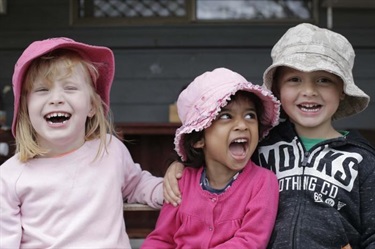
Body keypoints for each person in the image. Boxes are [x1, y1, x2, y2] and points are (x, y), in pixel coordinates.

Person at [163, 23, 375, 249]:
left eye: (323, 79)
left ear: (342, 90)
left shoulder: (363, 160)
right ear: (277, 89)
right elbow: (214, 162)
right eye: (294, 79)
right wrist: (180, 166)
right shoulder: (257, 145)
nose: (309, 91)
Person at [0, 37, 163, 248]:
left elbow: (136, 184)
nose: (56, 98)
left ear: (92, 106)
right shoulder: (10, 176)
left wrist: (171, 189)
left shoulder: (109, 149)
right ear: (25, 110)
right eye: (42, 90)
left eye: (70, 88)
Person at [142, 67, 280, 248]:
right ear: (199, 139)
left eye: (249, 115)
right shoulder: (182, 182)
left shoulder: (263, 182)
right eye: (226, 116)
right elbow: (161, 239)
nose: (242, 125)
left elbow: (250, 241)